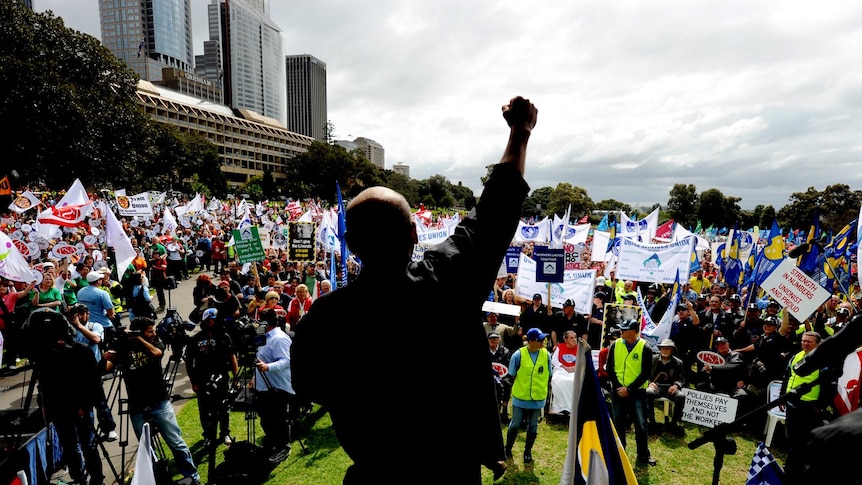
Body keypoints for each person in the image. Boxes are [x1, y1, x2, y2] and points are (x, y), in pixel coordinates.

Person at [291, 96, 537, 483]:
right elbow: (493, 214)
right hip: (449, 471)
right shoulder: (447, 283)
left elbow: (308, 387)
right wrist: (519, 134)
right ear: (414, 233)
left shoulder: (324, 318)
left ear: (351, 245)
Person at [103, 318, 200, 485]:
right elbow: (105, 369)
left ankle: (192, 476)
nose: (154, 333)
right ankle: (155, 479)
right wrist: (105, 356)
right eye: (150, 331)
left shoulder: (156, 344)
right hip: (137, 406)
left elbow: (156, 354)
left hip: (159, 402)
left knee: (176, 442)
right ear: (140, 332)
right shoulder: (123, 347)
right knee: (147, 450)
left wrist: (138, 338)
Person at [32, 310, 105, 485]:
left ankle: (97, 479)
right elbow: (44, 383)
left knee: (88, 445)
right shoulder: (44, 356)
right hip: (58, 408)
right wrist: (44, 404)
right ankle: (78, 477)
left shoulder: (80, 351)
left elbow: (90, 383)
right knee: (70, 447)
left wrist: (83, 406)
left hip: (80, 407)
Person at [185, 308, 238, 449]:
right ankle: (208, 435)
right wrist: (193, 381)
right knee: (204, 409)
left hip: (222, 378)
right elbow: (189, 362)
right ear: (206, 321)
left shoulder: (224, 336)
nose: (215, 321)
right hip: (202, 380)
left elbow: (232, 357)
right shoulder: (195, 339)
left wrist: (236, 376)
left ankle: (225, 433)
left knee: (224, 406)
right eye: (213, 319)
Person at [608, 318, 656, 466]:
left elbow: (646, 373)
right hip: (618, 390)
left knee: (641, 425)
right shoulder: (615, 345)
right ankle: (619, 452)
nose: (621, 331)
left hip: (637, 393)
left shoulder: (645, 347)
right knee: (618, 423)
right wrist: (619, 387)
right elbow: (609, 368)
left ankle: (643, 454)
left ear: (634, 331)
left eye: (625, 329)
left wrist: (629, 389)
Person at [67, 303, 118, 442]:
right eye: (77, 314)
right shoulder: (68, 329)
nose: (80, 317)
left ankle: (109, 429)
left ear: (88, 314)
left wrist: (79, 326)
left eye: (82, 314)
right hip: (76, 372)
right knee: (84, 406)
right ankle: (89, 433)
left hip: (93, 370)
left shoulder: (95, 326)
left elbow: (96, 339)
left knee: (100, 403)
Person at [505, 328, 552, 464]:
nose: (543, 342)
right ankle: (507, 449)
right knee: (515, 425)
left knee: (533, 426)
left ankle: (527, 451)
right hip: (520, 397)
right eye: (540, 339)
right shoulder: (518, 355)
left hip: (537, 398)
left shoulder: (546, 355)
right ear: (530, 341)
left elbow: (549, 374)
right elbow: (511, 375)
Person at [254, 312, 295, 463]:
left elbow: (287, 361)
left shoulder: (280, 339)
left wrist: (267, 367)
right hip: (264, 386)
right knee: (266, 419)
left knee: (277, 420)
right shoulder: (263, 338)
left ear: (267, 324)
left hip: (278, 387)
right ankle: (273, 443)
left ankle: (283, 447)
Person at [782, 331, 825, 477]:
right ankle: (790, 464)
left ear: (817, 344)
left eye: (809, 342)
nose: (805, 343)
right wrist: (782, 396)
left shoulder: (823, 360)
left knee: (803, 440)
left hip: (808, 405)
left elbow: (828, 385)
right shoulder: (796, 356)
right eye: (804, 341)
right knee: (792, 436)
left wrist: (819, 406)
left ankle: (799, 469)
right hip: (791, 402)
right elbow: (787, 376)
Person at [646, 338, 686, 436]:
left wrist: (676, 385)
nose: (665, 350)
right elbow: (644, 375)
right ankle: (651, 421)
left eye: (668, 348)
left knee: (681, 396)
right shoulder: (652, 359)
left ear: (672, 350)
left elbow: (681, 379)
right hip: (656, 387)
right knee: (648, 392)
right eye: (663, 348)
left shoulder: (678, 362)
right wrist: (649, 383)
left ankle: (674, 423)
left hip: (670, 388)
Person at [76, 271, 117, 340]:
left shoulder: (80, 291)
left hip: (87, 325)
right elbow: (111, 313)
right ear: (98, 281)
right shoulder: (102, 293)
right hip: (103, 324)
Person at [549, 330, 579, 415]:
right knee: (558, 381)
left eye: (575, 337)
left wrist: (574, 367)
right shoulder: (560, 347)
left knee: (573, 382)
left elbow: (583, 361)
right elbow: (554, 360)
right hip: (561, 370)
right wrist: (564, 367)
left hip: (574, 370)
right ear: (566, 340)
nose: (574, 340)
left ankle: (572, 407)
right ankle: (560, 407)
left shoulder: (580, 348)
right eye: (571, 338)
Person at [488, 332, 513, 423]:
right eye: (491, 339)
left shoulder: (505, 351)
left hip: (502, 375)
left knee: (507, 383)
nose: (493, 340)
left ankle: (504, 411)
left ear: (499, 340)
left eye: (495, 338)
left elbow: (507, 365)